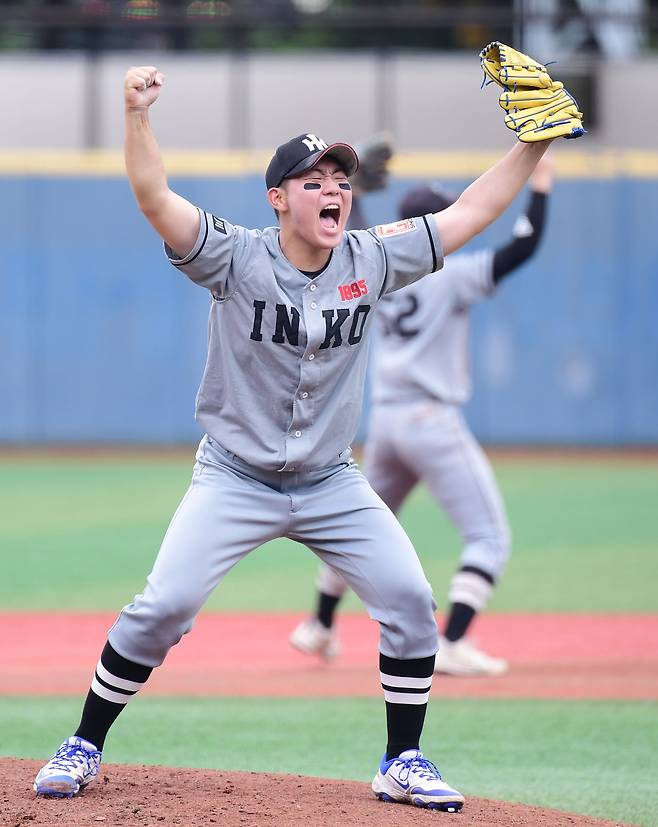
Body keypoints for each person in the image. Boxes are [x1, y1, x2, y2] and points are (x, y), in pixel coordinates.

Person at [33, 63, 554, 812]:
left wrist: (535, 143)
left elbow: (472, 211)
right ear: (277, 198)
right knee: (163, 607)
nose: (334, 189)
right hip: (234, 477)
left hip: (330, 481)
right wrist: (136, 114)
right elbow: (154, 197)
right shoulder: (236, 255)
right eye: (313, 181)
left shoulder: (372, 257)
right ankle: (84, 741)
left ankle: (401, 759)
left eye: (341, 179)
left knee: (411, 599)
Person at [290, 155, 554, 675]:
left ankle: (319, 624)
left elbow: (352, 240)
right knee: (489, 537)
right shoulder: (451, 274)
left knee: (354, 530)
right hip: (431, 421)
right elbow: (523, 247)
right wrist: (541, 185)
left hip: (386, 423)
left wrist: (359, 194)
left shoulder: (377, 272)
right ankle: (453, 641)